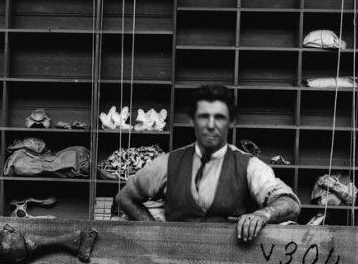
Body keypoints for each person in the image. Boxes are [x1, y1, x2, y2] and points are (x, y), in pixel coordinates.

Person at [115, 84, 300, 241]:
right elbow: (125, 197)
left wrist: (263, 214)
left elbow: (290, 204)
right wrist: (155, 234)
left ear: (231, 121)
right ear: (192, 120)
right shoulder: (167, 163)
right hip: (172, 262)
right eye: (204, 116)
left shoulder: (249, 166)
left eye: (219, 117)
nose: (211, 124)